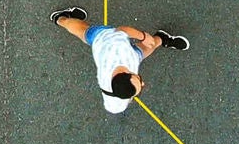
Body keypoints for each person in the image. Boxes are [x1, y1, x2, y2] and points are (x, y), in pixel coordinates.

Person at [48, 8, 188, 114]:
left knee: (83, 31)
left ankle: (61, 18)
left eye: (139, 79)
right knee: (144, 50)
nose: (143, 82)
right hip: (129, 56)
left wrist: (143, 36)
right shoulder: (113, 88)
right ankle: (162, 38)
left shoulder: (117, 45)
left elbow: (121, 30)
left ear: (125, 72)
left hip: (103, 38)